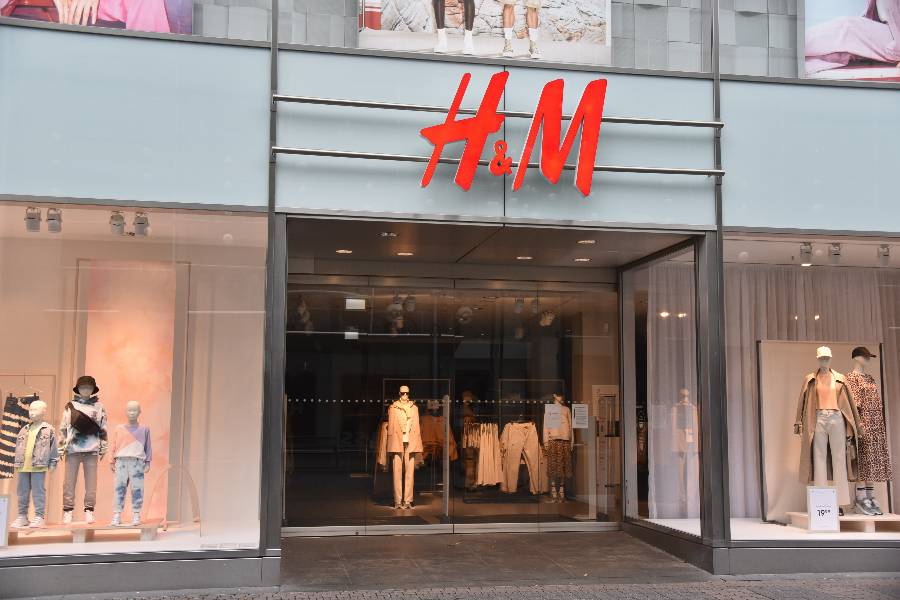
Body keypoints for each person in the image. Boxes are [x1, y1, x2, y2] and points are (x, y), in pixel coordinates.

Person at [805, 0, 900, 75]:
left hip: (895, 40)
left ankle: (799, 45)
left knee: (847, 26)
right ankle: (800, 52)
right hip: (886, 32)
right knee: (841, 51)